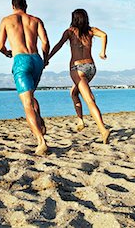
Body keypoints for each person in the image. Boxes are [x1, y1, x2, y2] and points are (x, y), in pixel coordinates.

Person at [47, 8, 110, 144]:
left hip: (77, 69)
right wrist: (102, 52)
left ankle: (103, 129)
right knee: (74, 93)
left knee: (89, 99)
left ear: (74, 18)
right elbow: (104, 35)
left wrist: (47, 58)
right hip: (91, 68)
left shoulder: (70, 32)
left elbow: (58, 45)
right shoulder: (91, 30)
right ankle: (81, 120)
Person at [0, 0, 50, 155]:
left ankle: (41, 141)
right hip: (36, 60)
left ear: (13, 6)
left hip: (21, 60)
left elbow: (0, 46)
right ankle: (39, 119)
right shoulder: (36, 20)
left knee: (27, 103)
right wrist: (45, 59)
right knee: (31, 96)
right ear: (26, 5)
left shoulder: (6, 20)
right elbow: (45, 42)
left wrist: (7, 53)